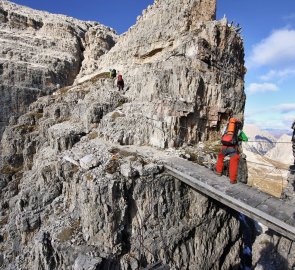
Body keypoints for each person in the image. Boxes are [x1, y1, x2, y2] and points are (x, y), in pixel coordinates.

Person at [215, 115, 248, 184]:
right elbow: (245, 139)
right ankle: (232, 180)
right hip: (232, 148)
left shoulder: (226, 128)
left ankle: (218, 172)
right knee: (234, 162)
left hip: (224, 147)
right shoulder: (238, 130)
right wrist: (239, 138)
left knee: (220, 157)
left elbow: (222, 136)